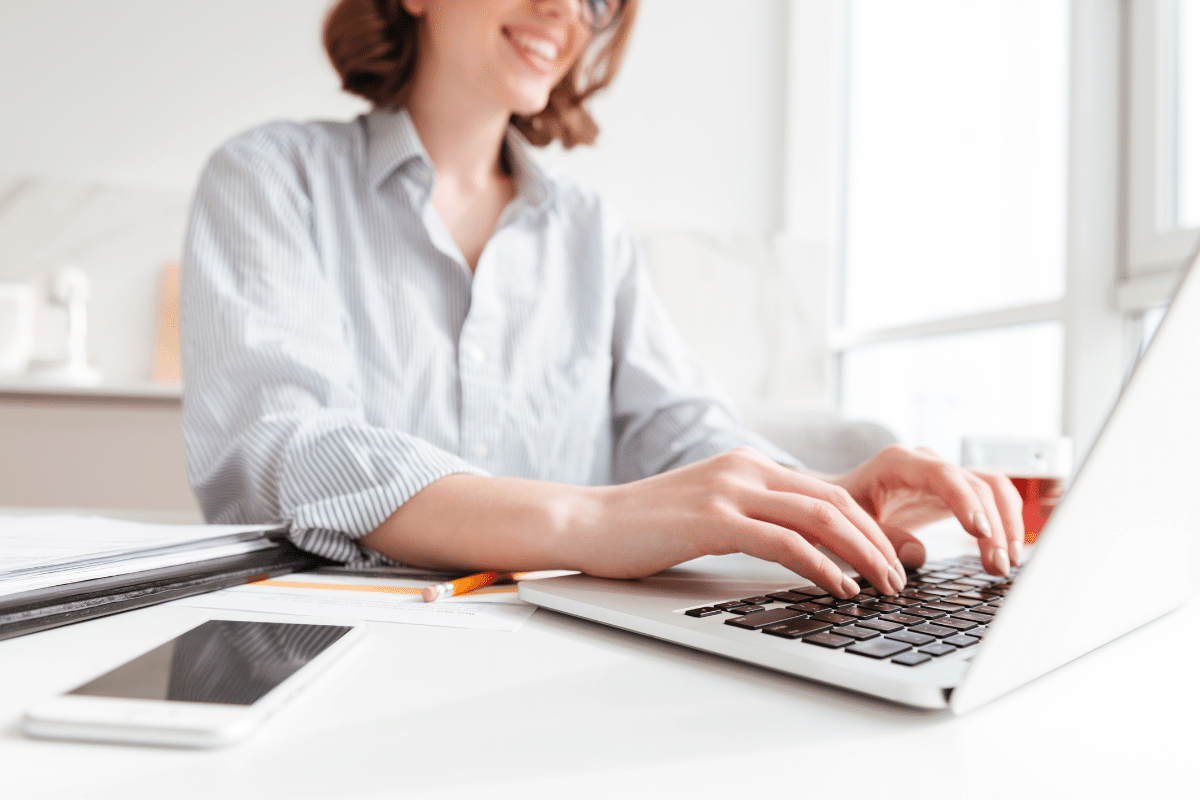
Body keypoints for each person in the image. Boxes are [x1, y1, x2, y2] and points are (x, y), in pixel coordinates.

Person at [181, 0, 1024, 602]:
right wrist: (590, 521)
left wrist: (815, 501)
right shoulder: (267, 179)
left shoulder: (591, 232)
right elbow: (285, 451)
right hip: (334, 641)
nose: (566, 12)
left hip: (558, 646)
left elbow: (684, 430)